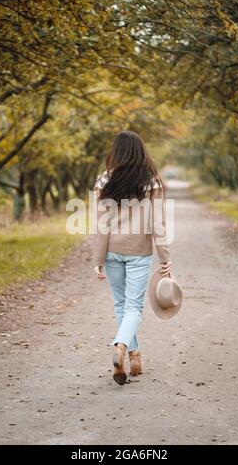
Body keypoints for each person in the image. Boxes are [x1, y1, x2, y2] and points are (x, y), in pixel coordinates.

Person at [92, 130, 172, 385]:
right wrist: (164, 257)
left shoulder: (104, 179)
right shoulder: (152, 181)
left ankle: (134, 357)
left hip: (113, 250)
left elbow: (101, 224)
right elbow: (158, 223)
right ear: (140, 151)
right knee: (134, 307)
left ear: (116, 152)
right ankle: (122, 346)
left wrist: (98, 259)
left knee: (120, 304)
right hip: (139, 252)